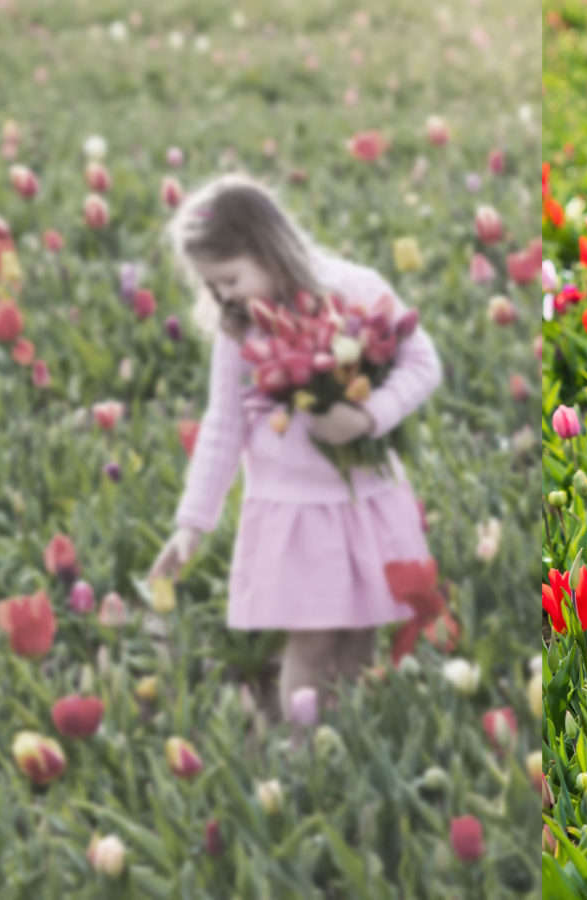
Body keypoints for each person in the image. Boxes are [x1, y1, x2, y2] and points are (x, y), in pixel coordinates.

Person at [147, 174, 443, 721]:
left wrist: (365, 417)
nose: (224, 297)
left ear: (266, 247)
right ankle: (304, 752)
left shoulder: (354, 289)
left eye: (229, 279)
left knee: (360, 636)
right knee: (309, 644)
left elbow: (422, 363)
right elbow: (223, 425)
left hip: (366, 498)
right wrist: (193, 524)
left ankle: (352, 736)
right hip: (295, 511)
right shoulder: (241, 330)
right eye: (212, 288)